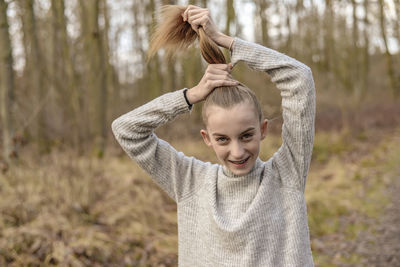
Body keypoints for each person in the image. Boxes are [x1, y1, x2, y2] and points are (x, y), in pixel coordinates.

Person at [112, 5, 316, 266]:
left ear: (263, 130)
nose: (238, 152)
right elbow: (126, 130)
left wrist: (226, 40)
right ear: (206, 138)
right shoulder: (189, 182)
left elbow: (299, 77)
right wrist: (191, 95)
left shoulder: (287, 175)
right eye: (222, 139)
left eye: (246, 136)